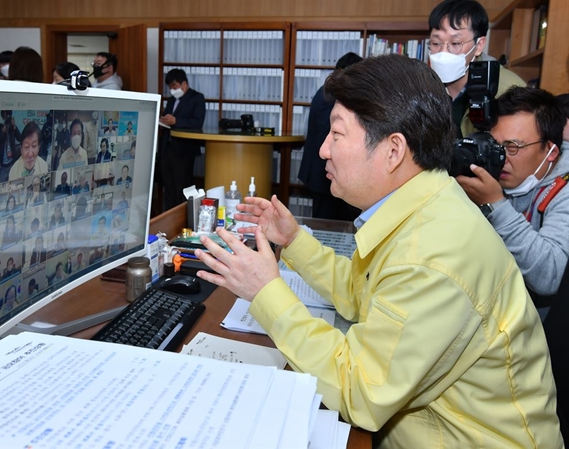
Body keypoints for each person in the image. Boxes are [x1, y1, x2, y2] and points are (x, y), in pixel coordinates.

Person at [193, 54, 562, 447]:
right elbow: (362, 296)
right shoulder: (426, 205)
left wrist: (266, 291)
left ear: (393, 150)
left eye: (336, 135)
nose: (322, 151)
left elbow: (360, 390)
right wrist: (295, 241)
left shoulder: (434, 252)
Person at [456, 87, 569, 440]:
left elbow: (550, 273)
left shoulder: (564, 191)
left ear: (550, 150)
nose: (500, 158)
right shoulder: (494, 177)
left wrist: (496, 205)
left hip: (540, 355)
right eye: (495, 144)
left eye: (514, 148)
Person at [428, 0, 525, 138]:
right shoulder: (423, 86)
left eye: (455, 43)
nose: (444, 52)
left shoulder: (508, 89)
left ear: (479, 45)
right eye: (436, 43)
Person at [299, 52, 362, 221]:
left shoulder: (327, 90)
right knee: (325, 224)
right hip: (323, 172)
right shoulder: (335, 97)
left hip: (321, 171)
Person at [159, 68, 206, 210]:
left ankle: (182, 219)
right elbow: (167, 117)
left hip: (185, 150)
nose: (172, 90)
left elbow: (197, 123)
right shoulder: (172, 99)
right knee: (168, 186)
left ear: (184, 84)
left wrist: (176, 121)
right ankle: (167, 217)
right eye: (170, 88)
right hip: (168, 147)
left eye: (174, 87)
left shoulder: (197, 98)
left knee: (182, 186)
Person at [0, 111, 21, 182]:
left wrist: (14, 127)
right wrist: (3, 131)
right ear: (3, 117)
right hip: (3, 166)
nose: (7, 118)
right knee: (0, 185)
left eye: (9, 116)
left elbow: (20, 138)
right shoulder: (0, 127)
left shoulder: (12, 128)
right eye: (6, 116)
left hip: (12, 163)